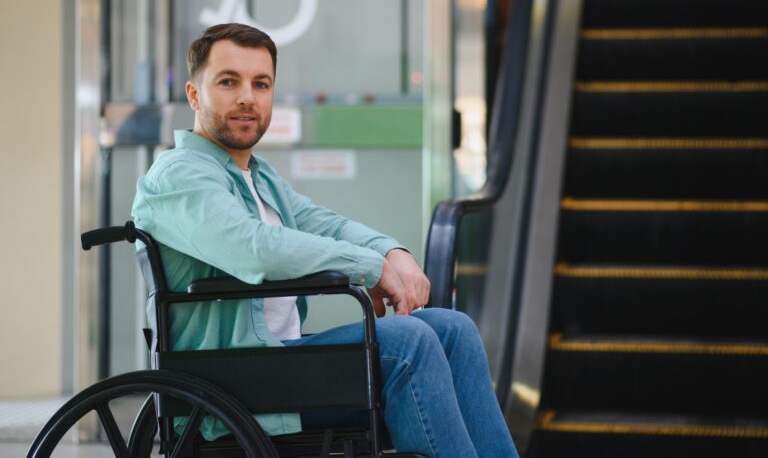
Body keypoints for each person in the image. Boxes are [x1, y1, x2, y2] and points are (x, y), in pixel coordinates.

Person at [132, 23, 518, 458]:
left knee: (453, 329)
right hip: (230, 378)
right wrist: (370, 268)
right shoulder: (179, 174)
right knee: (410, 343)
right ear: (194, 94)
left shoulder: (258, 177)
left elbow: (327, 226)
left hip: (276, 364)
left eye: (261, 84)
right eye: (228, 81)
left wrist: (392, 252)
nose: (247, 97)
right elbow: (253, 248)